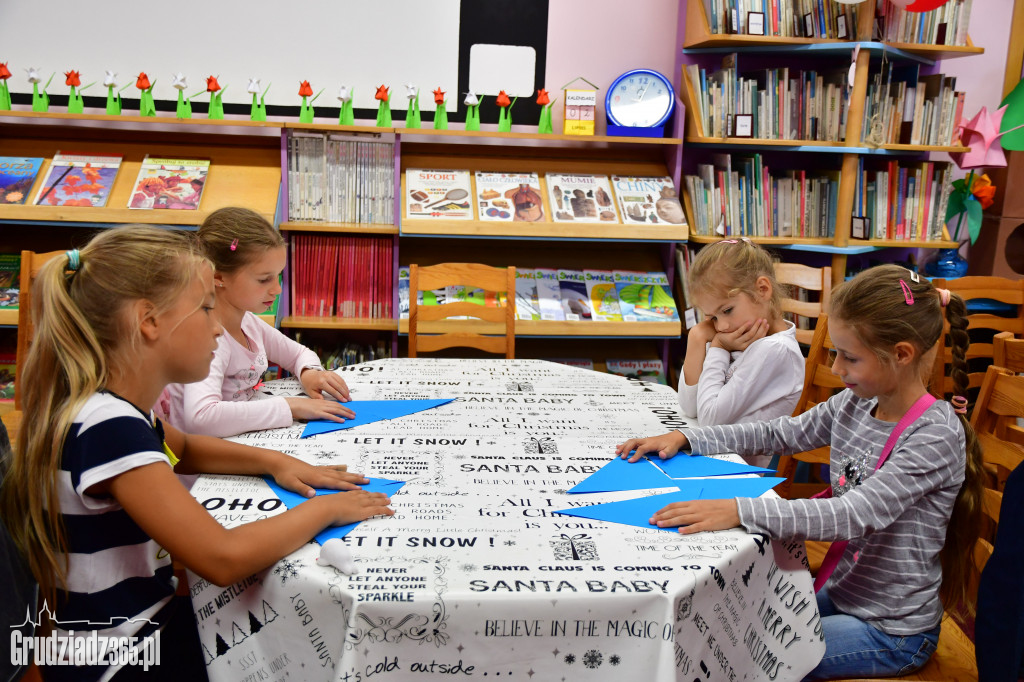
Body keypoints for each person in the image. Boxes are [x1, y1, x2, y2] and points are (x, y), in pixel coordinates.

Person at [0, 227, 393, 680]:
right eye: (206, 307)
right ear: (149, 321)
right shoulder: (109, 427)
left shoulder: (105, 406)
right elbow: (222, 558)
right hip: (120, 656)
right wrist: (327, 510)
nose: (217, 326)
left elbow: (182, 448)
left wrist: (279, 462)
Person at [617, 264, 984, 680]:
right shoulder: (857, 402)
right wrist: (690, 439)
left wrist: (741, 510)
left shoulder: (934, 435)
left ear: (901, 354)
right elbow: (782, 432)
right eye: (835, 352)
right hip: (845, 594)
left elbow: (851, 515)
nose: (837, 368)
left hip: (890, 631)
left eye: (849, 356)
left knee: (748, 660)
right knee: (723, 628)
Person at [157, 207, 354, 438]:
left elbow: (298, 353)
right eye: (264, 279)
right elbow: (201, 417)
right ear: (219, 277)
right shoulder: (209, 339)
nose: (277, 289)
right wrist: (290, 406)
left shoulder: (248, 322)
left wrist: (310, 372)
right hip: (202, 463)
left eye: (278, 276)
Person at [678, 239, 804, 465]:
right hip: (710, 460)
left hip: (734, 475)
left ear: (762, 289)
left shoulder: (775, 350)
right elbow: (689, 408)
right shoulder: (740, 339)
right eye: (713, 317)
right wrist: (697, 338)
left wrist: (718, 348)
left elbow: (709, 422)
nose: (722, 326)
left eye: (727, 310)